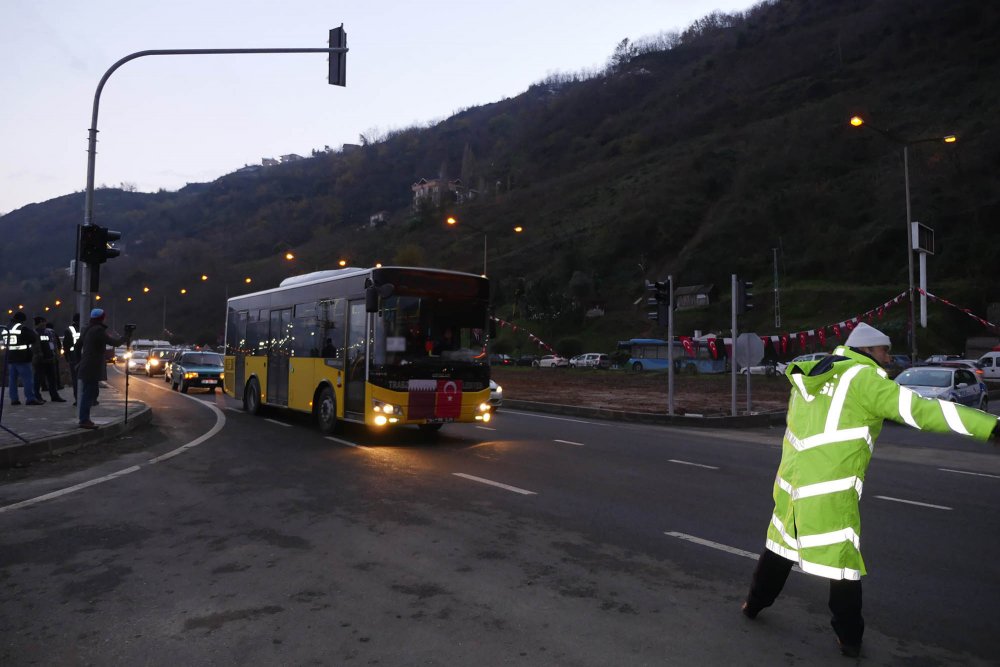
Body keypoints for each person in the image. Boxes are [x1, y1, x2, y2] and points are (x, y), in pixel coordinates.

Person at [740, 322, 1000, 657]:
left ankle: (753, 604)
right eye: (884, 351)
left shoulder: (812, 375)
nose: (889, 358)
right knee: (843, 565)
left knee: (780, 546)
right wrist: (988, 425)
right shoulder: (864, 380)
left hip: (790, 485)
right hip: (830, 489)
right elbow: (922, 411)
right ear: (866, 350)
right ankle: (849, 639)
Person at [76, 308, 127, 429]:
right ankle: (84, 419)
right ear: (101, 318)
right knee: (88, 393)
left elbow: (77, 346)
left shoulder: (87, 329)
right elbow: (115, 343)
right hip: (91, 366)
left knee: (89, 392)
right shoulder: (98, 330)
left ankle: (84, 418)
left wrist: (77, 361)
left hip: (86, 364)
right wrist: (126, 336)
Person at [4, 311, 43, 406]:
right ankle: (30, 398)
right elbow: (33, 337)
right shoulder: (21, 327)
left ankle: (14, 399)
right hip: (23, 358)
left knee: (12, 380)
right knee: (28, 379)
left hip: (10, 357)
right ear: (22, 320)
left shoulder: (6, 328)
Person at [31, 316, 66, 403]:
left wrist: (56, 353)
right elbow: (35, 347)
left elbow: (54, 343)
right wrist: (39, 355)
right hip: (40, 360)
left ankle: (54, 396)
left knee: (52, 379)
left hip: (50, 358)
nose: (44, 323)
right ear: (39, 322)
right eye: (43, 322)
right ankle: (37, 396)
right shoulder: (34, 333)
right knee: (38, 379)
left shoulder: (49, 332)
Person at [63, 314, 82, 405]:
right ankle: (89, 399)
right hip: (84, 356)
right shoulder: (85, 328)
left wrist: (67, 357)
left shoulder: (69, 330)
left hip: (73, 357)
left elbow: (65, 345)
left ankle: (78, 399)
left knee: (76, 379)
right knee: (86, 379)